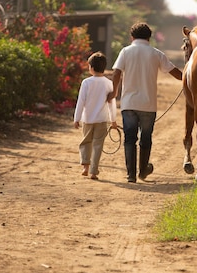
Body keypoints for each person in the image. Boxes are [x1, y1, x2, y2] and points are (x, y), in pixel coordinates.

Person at [109, 22, 182, 183]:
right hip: (148, 105)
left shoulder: (125, 51)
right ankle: (143, 171)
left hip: (128, 104)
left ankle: (131, 175)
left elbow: (116, 73)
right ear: (149, 38)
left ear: (132, 37)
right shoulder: (156, 53)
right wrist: (189, 78)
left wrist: (114, 93)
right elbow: (175, 72)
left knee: (130, 138)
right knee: (146, 138)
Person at [74, 51, 118, 180]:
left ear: (91, 68)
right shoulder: (108, 83)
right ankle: (94, 171)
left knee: (86, 142)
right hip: (102, 120)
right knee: (98, 145)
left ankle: (85, 167)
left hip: (87, 119)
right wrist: (113, 120)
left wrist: (77, 118)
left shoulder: (86, 83)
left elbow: (80, 101)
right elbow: (112, 103)